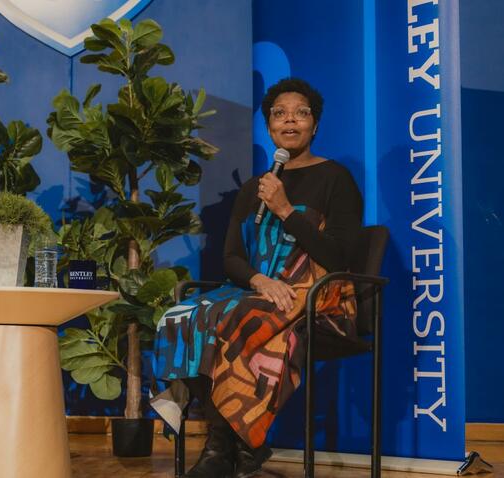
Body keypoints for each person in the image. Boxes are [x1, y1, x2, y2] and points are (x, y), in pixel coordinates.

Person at [152, 78, 362, 478]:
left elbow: (340, 256)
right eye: (279, 113)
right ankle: (231, 443)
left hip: (320, 293)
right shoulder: (254, 188)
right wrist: (260, 281)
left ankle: (230, 447)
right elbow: (231, 257)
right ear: (269, 126)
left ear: (314, 125)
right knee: (179, 317)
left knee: (234, 319)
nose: (290, 121)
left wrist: (285, 210)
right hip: (262, 289)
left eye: (301, 113)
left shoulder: (336, 179)